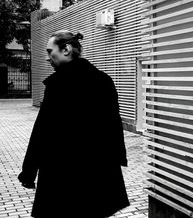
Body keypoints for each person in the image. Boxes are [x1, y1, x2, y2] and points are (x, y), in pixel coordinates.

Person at [18, 30, 130, 217]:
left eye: (49, 51)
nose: (48, 58)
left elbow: (42, 132)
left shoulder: (58, 85)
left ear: (66, 49)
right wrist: (117, 162)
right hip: (98, 174)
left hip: (62, 175)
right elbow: (114, 127)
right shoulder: (104, 81)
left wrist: (28, 172)